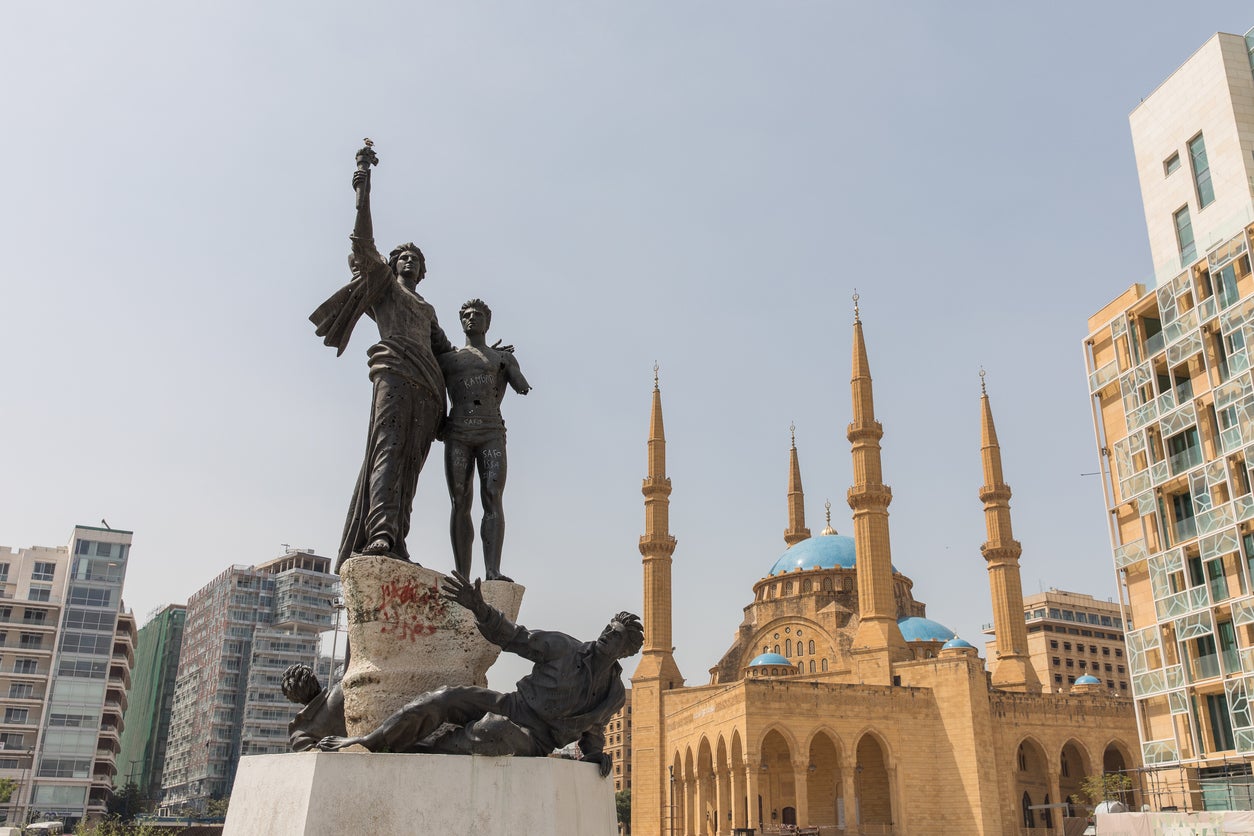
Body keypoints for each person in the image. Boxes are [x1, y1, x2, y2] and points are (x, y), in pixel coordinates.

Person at [318, 571, 641, 776]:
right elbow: (514, 637)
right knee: (447, 697)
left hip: (535, 739)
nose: (605, 636)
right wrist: (480, 608)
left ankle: (416, 754)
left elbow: (593, 732)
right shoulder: (563, 648)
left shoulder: (612, 695)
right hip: (511, 704)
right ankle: (372, 741)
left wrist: (597, 756)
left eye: (615, 637)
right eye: (607, 629)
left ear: (624, 651)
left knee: (493, 731)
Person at [311, 144, 454, 571]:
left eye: (417, 259)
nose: (409, 260)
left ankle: (398, 538)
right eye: (403, 256)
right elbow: (363, 242)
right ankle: (379, 534)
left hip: (430, 391)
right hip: (393, 373)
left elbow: (449, 355)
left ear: (423, 272)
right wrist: (363, 191)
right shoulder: (386, 290)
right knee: (387, 454)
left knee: (410, 469)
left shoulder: (427, 311)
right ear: (392, 265)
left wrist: (491, 363)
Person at [439, 299, 531, 581]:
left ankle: (493, 570)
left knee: (492, 496)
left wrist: (509, 366)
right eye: (466, 315)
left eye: (478, 315)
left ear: (487, 322)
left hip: (491, 431)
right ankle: (463, 575)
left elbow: (522, 387)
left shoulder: (501, 358)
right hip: (458, 431)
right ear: (461, 321)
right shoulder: (449, 359)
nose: (472, 319)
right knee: (459, 499)